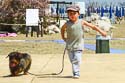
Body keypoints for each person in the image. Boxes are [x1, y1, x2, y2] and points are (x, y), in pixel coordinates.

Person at [61, 5, 107, 79]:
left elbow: (93, 27)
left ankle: (76, 73)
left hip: (79, 45)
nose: (72, 15)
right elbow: (62, 29)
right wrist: (63, 37)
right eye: (70, 14)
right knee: (72, 60)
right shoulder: (67, 24)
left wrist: (101, 32)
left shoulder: (81, 22)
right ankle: (75, 71)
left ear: (78, 14)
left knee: (77, 59)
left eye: (74, 13)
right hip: (70, 45)